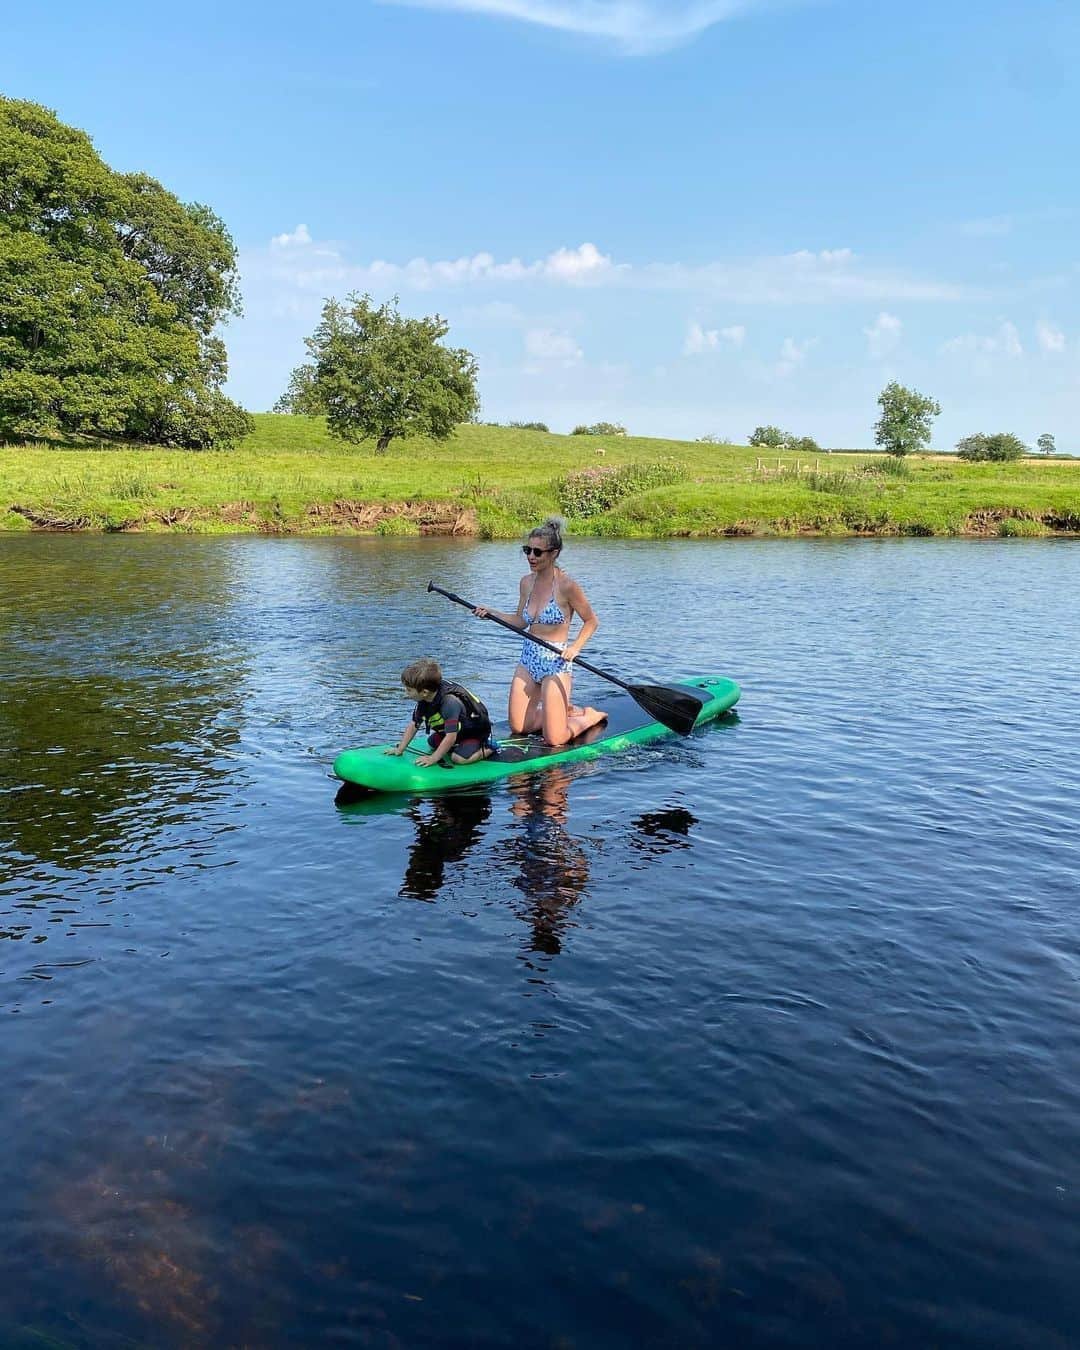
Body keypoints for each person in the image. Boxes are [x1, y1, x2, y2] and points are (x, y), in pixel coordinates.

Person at [473, 515, 607, 746]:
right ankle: (563, 710)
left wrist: (575, 648)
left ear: (553, 553)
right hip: (529, 657)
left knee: (555, 740)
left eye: (537, 552)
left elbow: (591, 621)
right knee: (519, 727)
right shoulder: (526, 582)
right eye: (527, 550)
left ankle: (589, 716)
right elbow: (520, 621)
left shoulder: (567, 586)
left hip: (556, 661)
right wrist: (492, 612)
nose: (531, 557)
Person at [384, 658, 495, 768]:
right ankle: (460, 746)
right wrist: (400, 749)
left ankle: (489, 748)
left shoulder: (449, 703)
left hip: (475, 734)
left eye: (409, 690)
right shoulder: (425, 699)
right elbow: (414, 725)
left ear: (424, 692)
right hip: (459, 733)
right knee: (432, 742)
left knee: (458, 759)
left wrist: (433, 758)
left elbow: (451, 737)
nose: (405, 692)